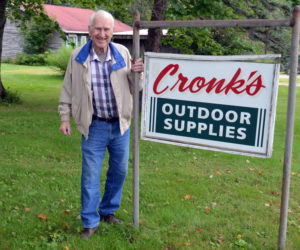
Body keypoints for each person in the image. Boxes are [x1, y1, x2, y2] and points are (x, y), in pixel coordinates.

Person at [58, 9, 143, 239]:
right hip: (93, 126)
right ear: (90, 30)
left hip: (120, 126)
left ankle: (108, 211)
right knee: (90, 175)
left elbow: (136, 88)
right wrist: (65, 117)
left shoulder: (122, 53)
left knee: (120, 171)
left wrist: (138, 74)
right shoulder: (78, 57)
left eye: (106, 29)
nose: (102, 34)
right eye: (98, 29)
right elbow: (68, 89)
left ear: (113, 32)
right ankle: (90, 221)